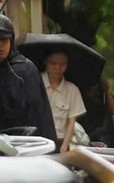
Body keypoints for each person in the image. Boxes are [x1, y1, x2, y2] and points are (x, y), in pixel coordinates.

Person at [0, 14, 57, 144]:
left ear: (11, 41)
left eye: (4, 40)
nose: (0, 45)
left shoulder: (25, 70)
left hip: (22, 146)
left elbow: (37, 117)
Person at [42, 50, 86, 152]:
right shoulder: (35, 82)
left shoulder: (72, 89)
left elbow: (71, 121)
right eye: (53, 63)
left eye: (62, 64)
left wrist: (64, 147)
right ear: (46, 62)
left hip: (60, 140)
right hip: (39, 140)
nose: (58, 68)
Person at [80, 79, 114, 147]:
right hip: (86, 132)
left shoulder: (102, 93)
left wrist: (106, 90)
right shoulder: (78, 94)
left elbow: (113, 110)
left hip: (105, 135)